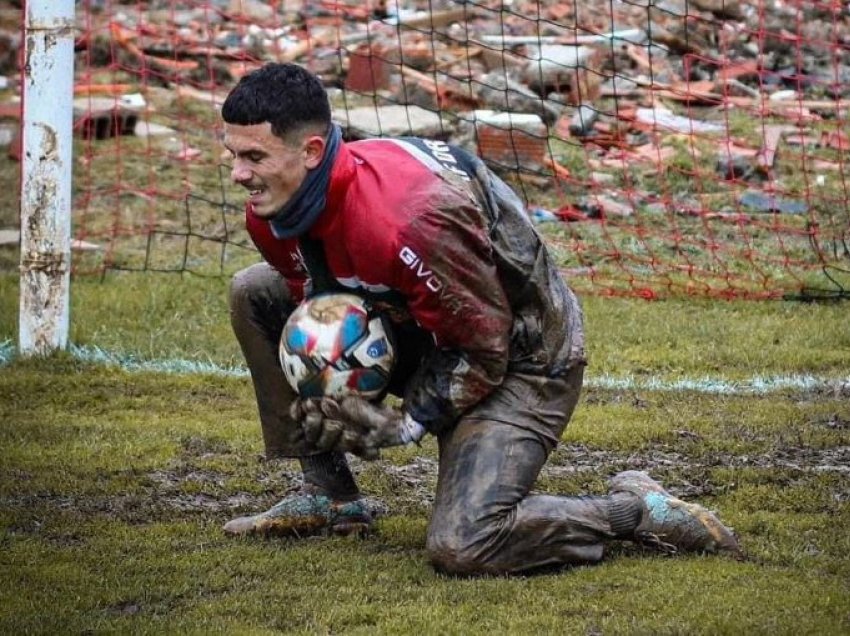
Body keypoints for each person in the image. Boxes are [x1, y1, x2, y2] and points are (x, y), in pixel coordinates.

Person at [219, 62, 742, 575]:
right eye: (233, 155)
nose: (239, 173)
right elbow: (317, 309)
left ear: (311, 152)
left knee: (465, 542)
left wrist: (407, 422)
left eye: (254, 157)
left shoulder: (407, 220)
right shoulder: (273, 210)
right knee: (255, 294)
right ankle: (329, 496)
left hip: (522, 356)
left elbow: (485, 346)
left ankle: (635, 509)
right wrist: (334, 380)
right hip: (427, 329)